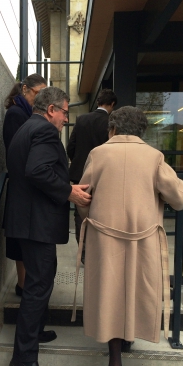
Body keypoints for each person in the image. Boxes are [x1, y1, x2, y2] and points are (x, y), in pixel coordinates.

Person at [74, 106, 183, 366]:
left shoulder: (98, 154)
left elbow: (82, 198)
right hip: (143, 237)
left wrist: (88, 215)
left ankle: (115, 363)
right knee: (137, 289)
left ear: (112, 128)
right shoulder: (154, 157)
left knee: (111, 292)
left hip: (104, 236)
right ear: (141, 131)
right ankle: (127, 338)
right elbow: (179, 199)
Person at [4, 87, 91, 366]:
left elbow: (37, 172)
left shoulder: (28, 127)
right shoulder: (44, 132)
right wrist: (69, 191)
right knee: (39, 286)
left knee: (43, 279)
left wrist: (68, 185)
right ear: (52, 109)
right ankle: (24, 358)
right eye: (66, 112)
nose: (67, 119)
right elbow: (38, 170)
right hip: (35, 225)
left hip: (29, 222)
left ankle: (36, 329)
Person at [3, 74, 47, 297]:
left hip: (26, 188)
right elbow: (16, 153)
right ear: (26, 89)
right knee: (21, 243)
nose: (41, 99)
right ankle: (22, 286)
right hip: (22, 188)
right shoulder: (16, 114)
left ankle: (25, 286)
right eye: (39, 93)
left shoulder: (26, 113)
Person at [67, 89, 117, 260]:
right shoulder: (112, 123)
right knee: (103, 210)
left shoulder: (81, 119)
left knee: (80, 211)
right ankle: (100, 251)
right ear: (112, 104)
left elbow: (70, 147)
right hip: (104, 175)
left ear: (98, 102)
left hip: (80, 173)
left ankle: (83, 251)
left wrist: (80, 163)